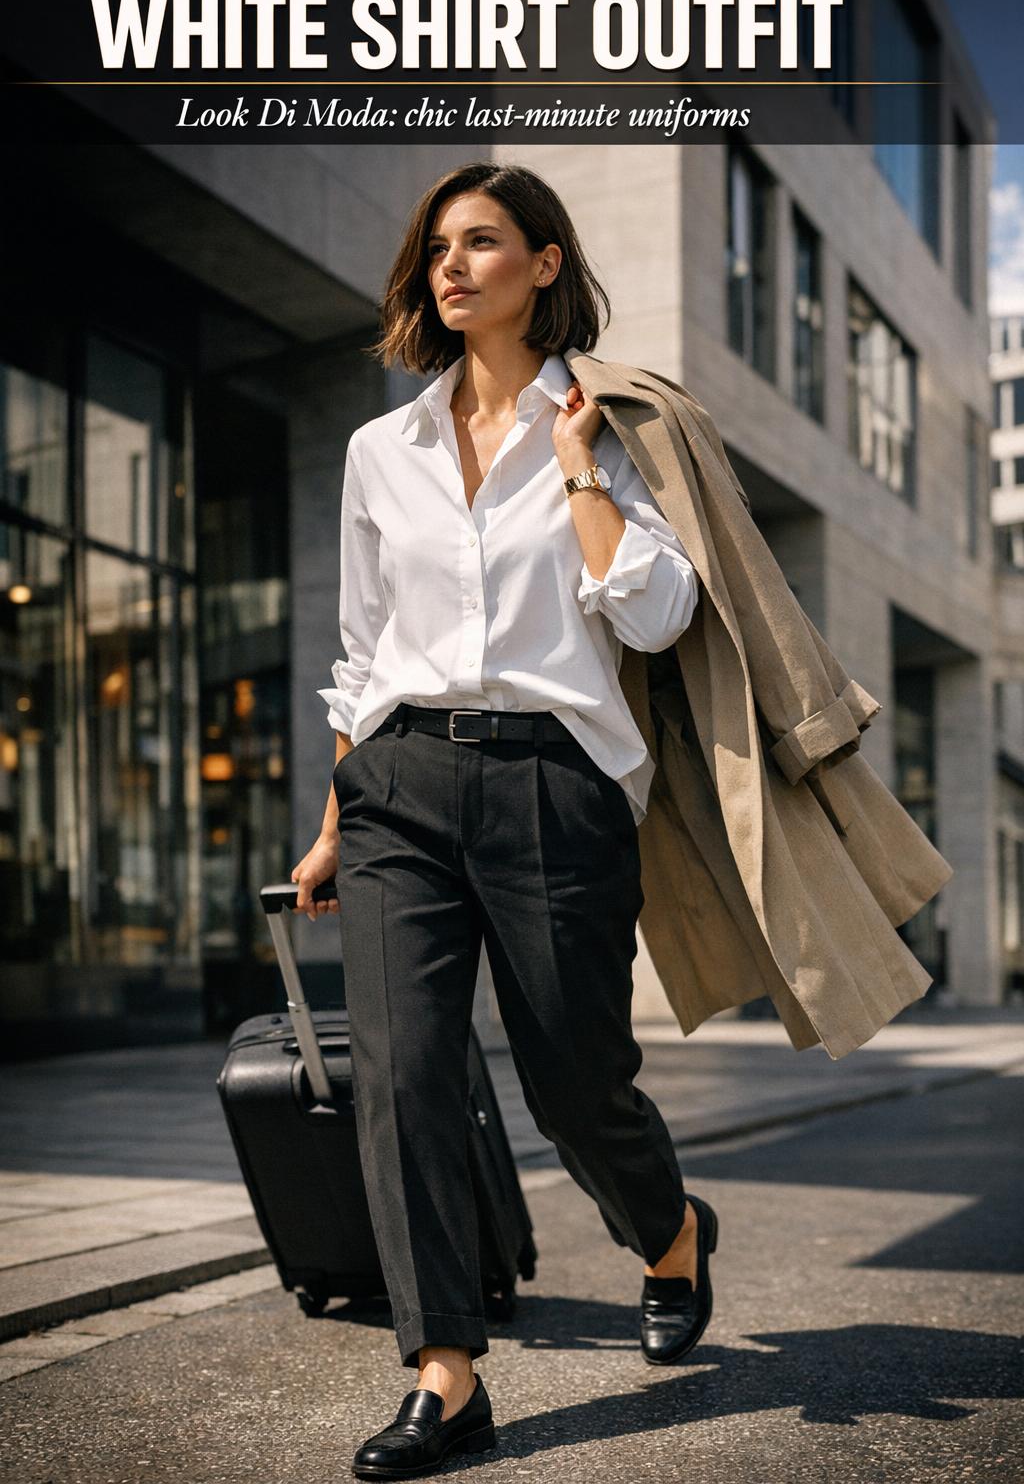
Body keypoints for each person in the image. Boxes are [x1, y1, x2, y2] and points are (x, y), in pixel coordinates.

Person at [290, 160, 719, 1480]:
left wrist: (581, 471)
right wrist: (331, 817)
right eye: (438, 248)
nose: (451, 264)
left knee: (575, 1083)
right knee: (405, 1075)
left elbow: (659, 615)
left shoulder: (607, 429)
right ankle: (445, 1371)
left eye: (483, 242)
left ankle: (671, 1233)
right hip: (399, 791)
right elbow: (366, 655)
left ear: (545, 263)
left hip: (553, 786)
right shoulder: (381, 450)